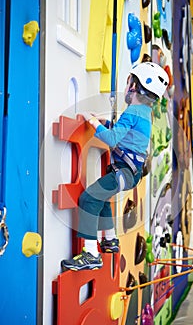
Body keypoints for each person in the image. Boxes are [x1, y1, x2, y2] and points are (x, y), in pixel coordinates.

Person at [61, 62, 169, 271]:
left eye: (129, 81)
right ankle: (110, 240)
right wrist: (106, 122)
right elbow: (126, 135)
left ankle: (91, 253)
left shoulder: (133, 112)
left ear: (135, 86)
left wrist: (94, 123)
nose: (127, 85)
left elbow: (111, 140)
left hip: (125, 171)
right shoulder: (143, 112)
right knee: (100, 199)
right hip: (130, 173)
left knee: (89, 198)